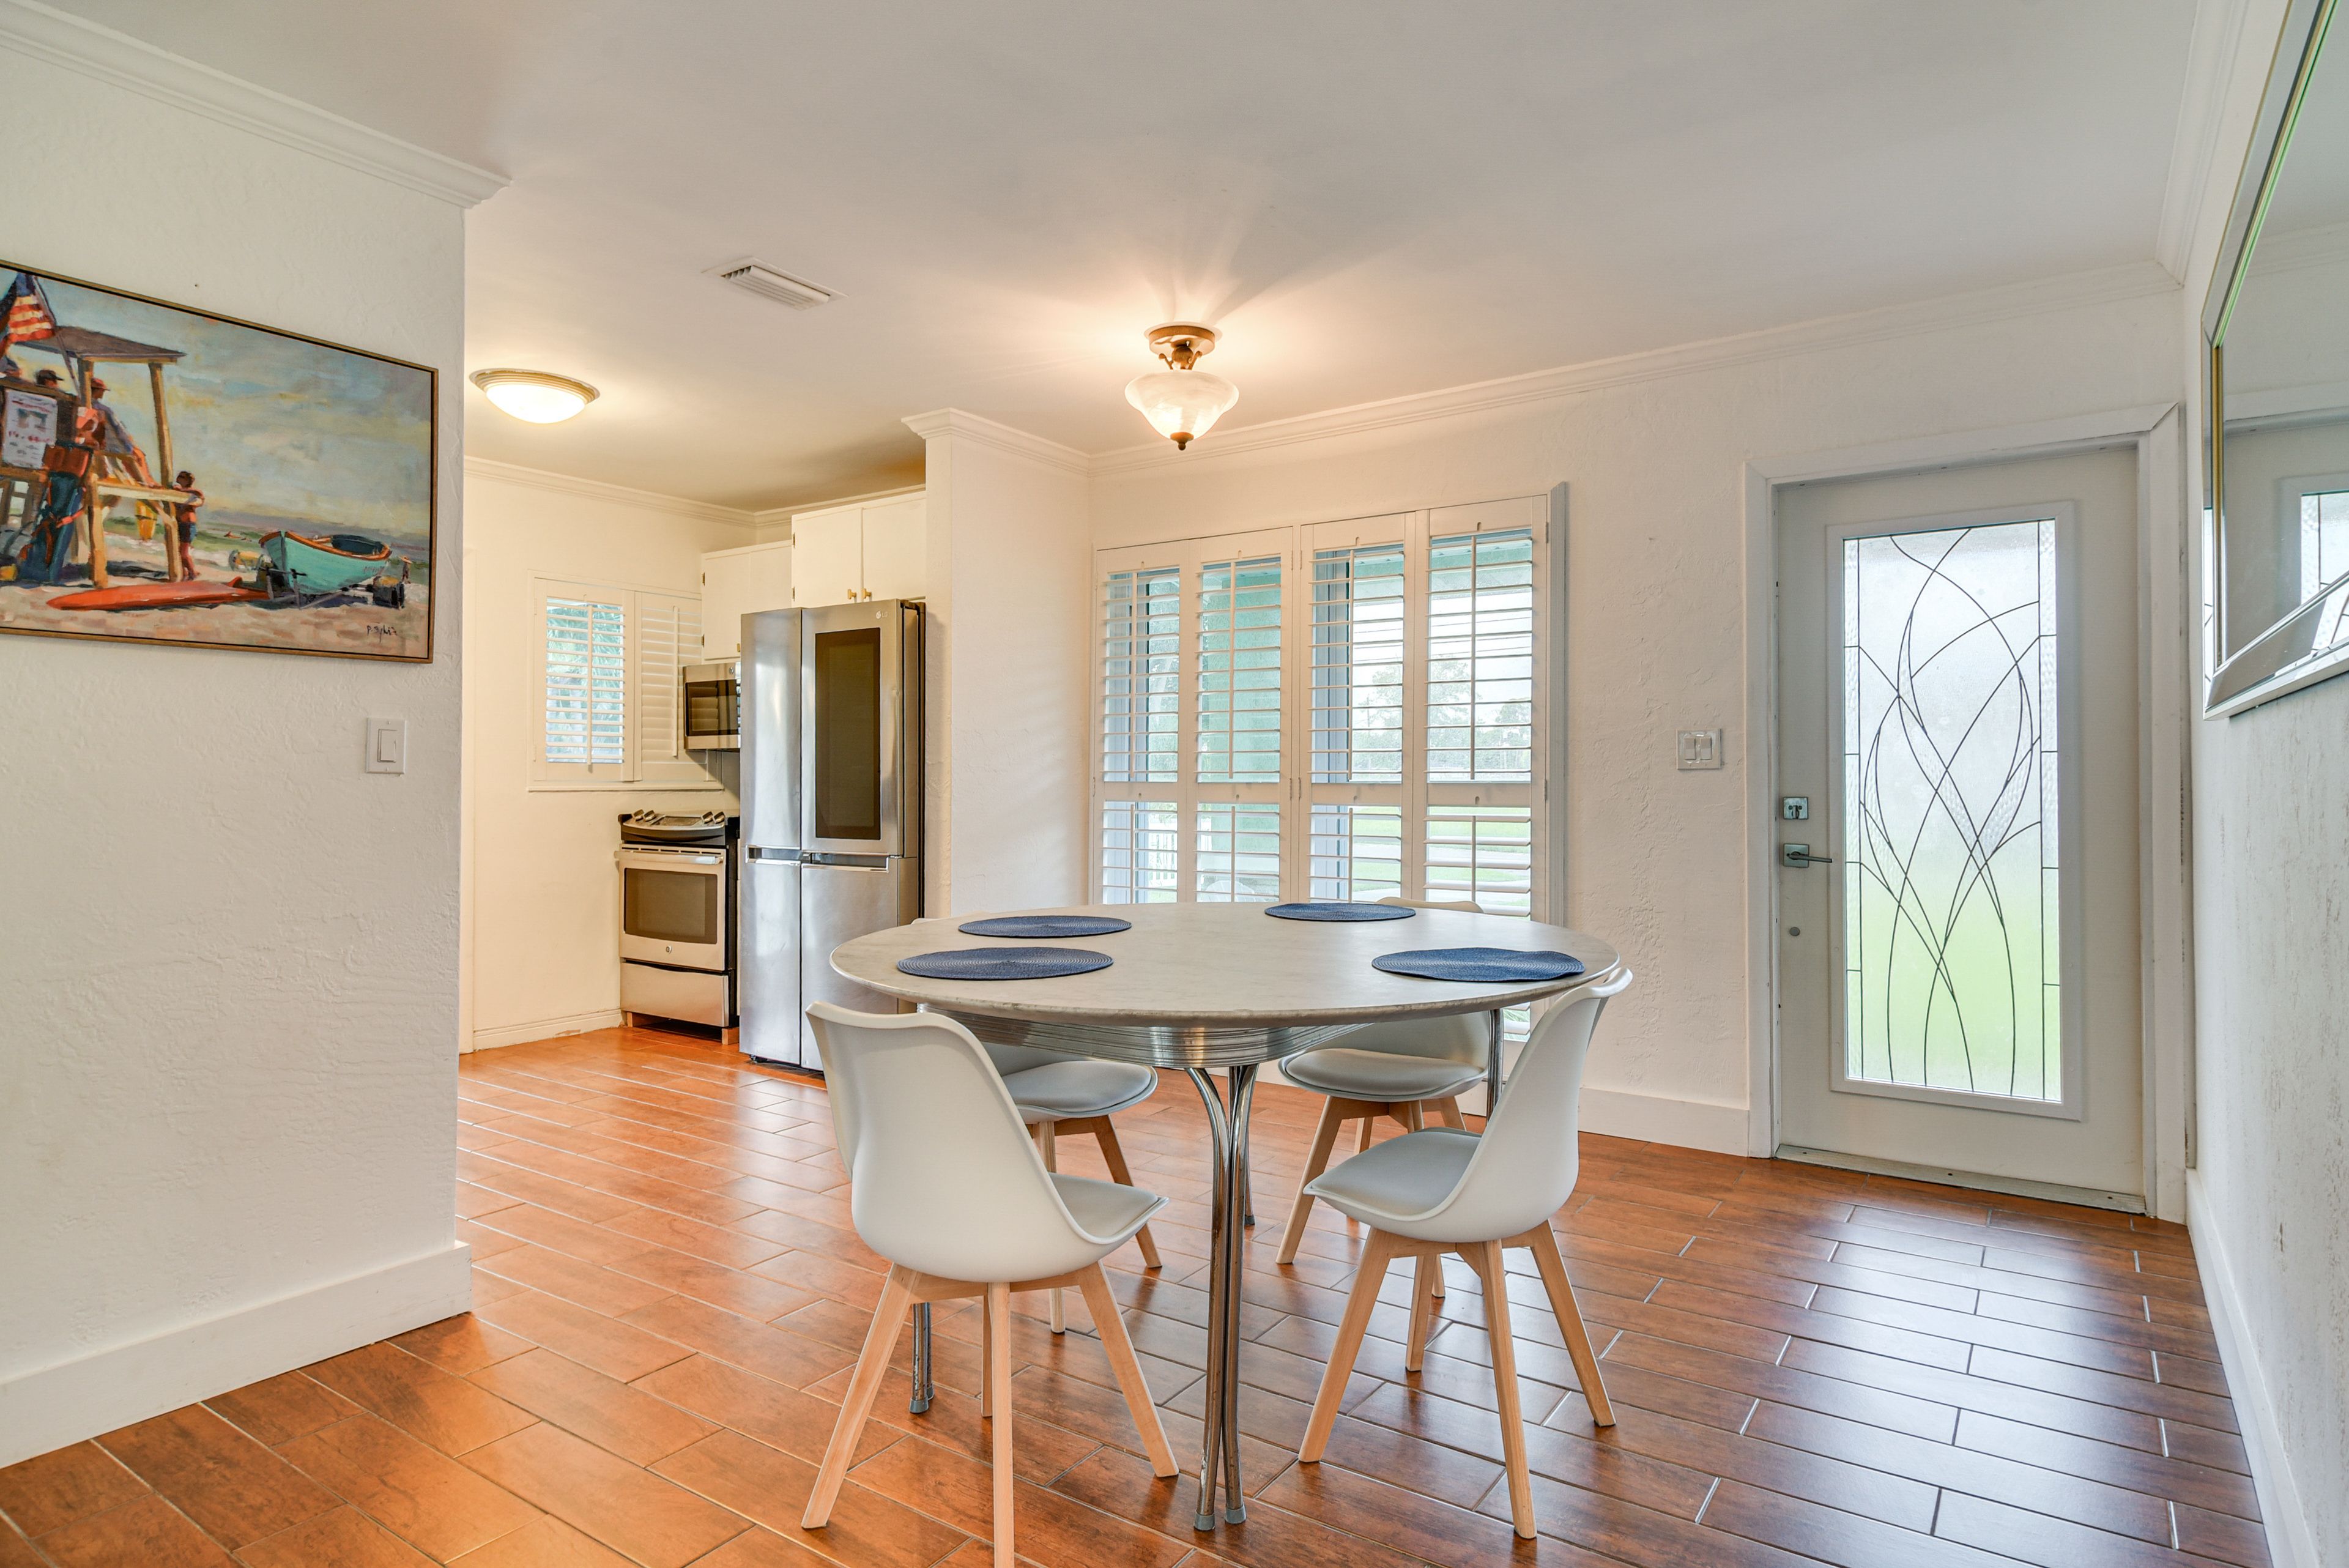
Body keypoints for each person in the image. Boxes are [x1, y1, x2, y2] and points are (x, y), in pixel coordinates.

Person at [170, 471, 204, 580]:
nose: (178, 477)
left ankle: (193, 573)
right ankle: (184, 572)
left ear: (187, 480)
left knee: (184, 553)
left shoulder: (192, 493)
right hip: (180, 524)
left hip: (188, 525)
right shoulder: (177, 491)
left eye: (182, 477)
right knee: (178, 551)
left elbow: (200, 495)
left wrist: (182, 490)